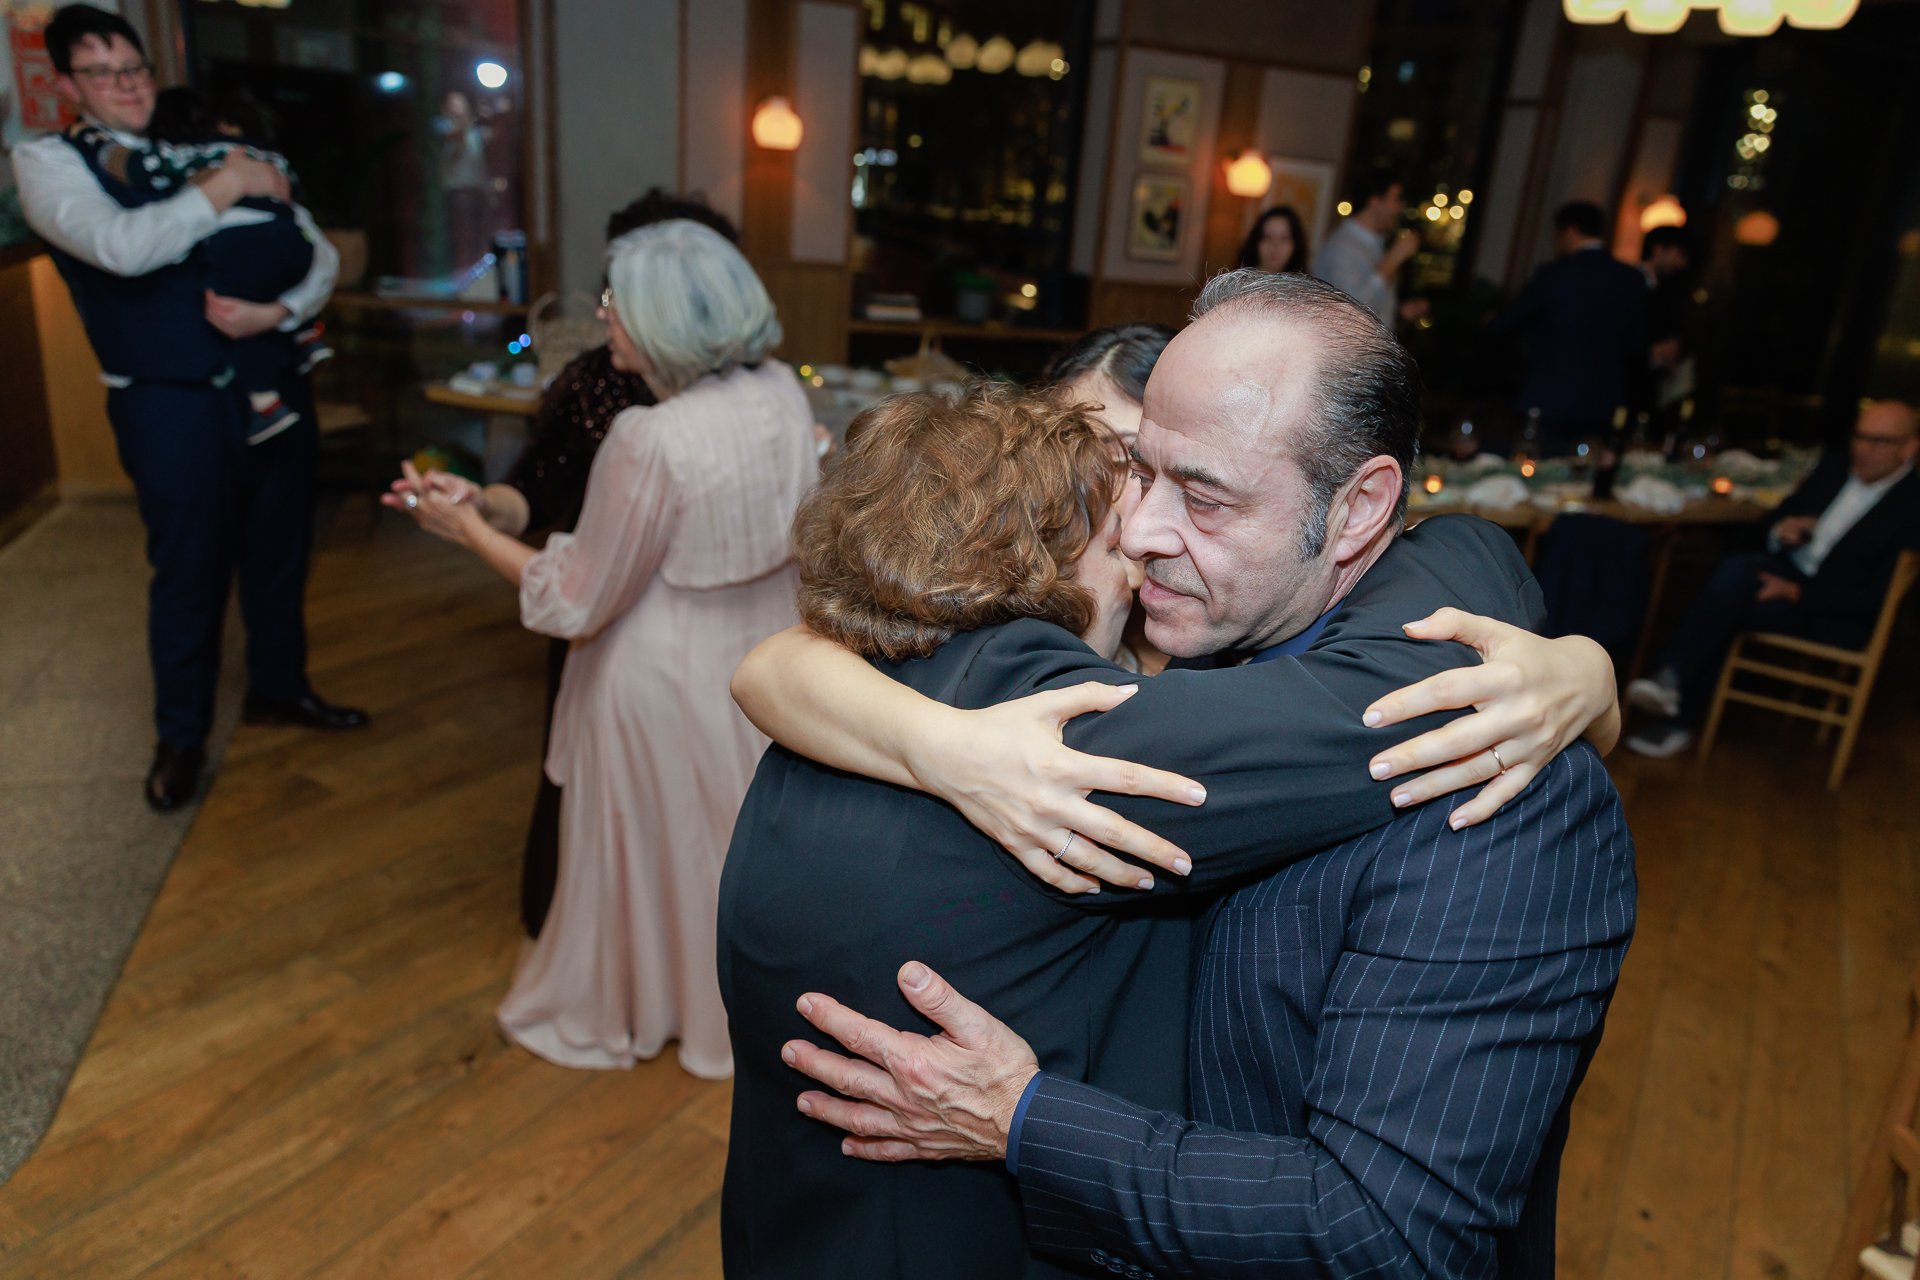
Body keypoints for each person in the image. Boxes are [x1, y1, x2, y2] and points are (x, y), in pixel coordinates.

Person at [729, 270, 1635, 1277]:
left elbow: (1389, 1234)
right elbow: (781, 662)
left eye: (1201, 493)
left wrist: (1026, 1118)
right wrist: (933, 743)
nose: (1142, 532)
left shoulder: (1489, 779)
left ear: (1359, 508)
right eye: (1136, 476)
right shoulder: (1151, 665)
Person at [394, 219, 813, 1078]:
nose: (602, 315)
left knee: (657, 859)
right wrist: (489, 509)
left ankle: (643, 1006)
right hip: (760, 659)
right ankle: (725, 1010)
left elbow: (577, 597)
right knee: (724, 857)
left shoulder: (649, 437)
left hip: (658, 673)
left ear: (663, 320)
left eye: (617, 301)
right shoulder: (779, 391)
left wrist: (465, 530)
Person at [15, 4, 359, 813]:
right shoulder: (50, 164)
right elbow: (121, 249)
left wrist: (277, 313)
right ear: (67, 84)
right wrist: (226, 186)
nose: (125, 87)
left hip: (272, 378)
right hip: (169, 404)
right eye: (101, 74)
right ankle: (180, 738)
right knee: (188, 573)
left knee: (279, 550)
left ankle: (279, 688)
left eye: (133, 69)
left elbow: (320, 248)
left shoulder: (193, 142)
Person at [386, 188, 738, 941]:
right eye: (613, 283)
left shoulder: (748, 387)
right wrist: (481, 504)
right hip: (596, 609)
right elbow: (537, 488)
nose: (610, 306)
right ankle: (585, 930)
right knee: (585, 781)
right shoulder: (593, 377)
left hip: (686, 640)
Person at [1626, 400, 1920, 758]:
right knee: (1735, 572)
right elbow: (1771, 521)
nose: (1863, 449)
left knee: (1728, 602)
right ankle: (1673, 694)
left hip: (1830, 611)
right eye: (1859, 437)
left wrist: (1797, 592)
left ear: (1909, 448)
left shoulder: (1911, 506)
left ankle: (1673, 690)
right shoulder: (1834, 467)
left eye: (1879, 441)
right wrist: (1782, 531)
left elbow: (1876, 597)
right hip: (1787, 572)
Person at [146, 86, 331, 442]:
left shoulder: (184, 168)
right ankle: (305, 337)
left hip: (247, 361)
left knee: (232, 303)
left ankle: (265, 402)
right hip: (289, 256)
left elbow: (326, 257)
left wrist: (277, 313)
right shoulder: (260, 166)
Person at [1489, 200, 1650, 456]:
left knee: (1535, 466)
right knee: (1588, 472)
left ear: (1570, 231)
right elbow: (1636, 343)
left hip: (1552, 396)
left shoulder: (1555, 274)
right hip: (1604, 399)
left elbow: (1507, 325)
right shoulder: (1631, 278)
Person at [1310, 169, 1424, 326]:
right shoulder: (1342, 246)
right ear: (1375, 201)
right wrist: (1392, 261)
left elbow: (1373, 303)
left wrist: (1399, 311)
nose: (1400, 207)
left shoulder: (1374, 244)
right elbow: (1353, 309)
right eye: (1396, 199)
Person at [1639, 224, 1696, 414]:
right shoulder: (1629, 284)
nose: (1682, 263)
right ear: (1658, 249)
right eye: (1679, 254)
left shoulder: (1672, 289)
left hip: (1652, 383)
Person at [1235, 203, 1308, 274]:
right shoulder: (1238, 283)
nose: (1275, 245)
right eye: (1268, 237)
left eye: (1284, 238)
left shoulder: (1303, 285)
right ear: (1255, 242)